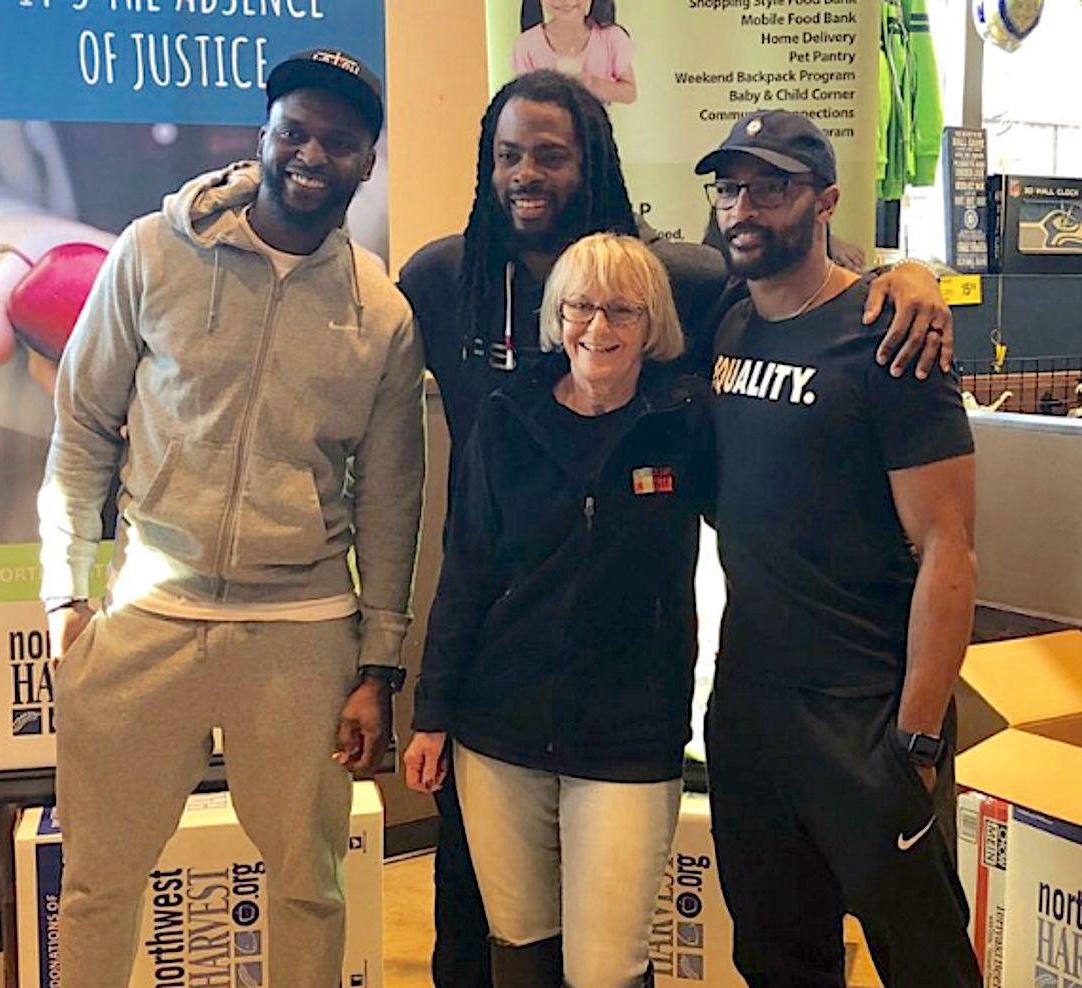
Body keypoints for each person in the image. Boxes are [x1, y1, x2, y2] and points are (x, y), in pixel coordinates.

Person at [398, 68, 956, 988]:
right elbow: (458, 556)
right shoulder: (441, 276)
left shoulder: (686, 294)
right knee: (490, 934)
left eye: (550, 154)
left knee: (630, 955)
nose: (526, 172)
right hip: (507, 695)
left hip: (702, 706)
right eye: (507, 154)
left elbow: (812, 280)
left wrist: (910, 273)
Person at [37, 48, 424, 988]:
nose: (310, 155)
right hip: (144, 619)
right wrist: (65, 595)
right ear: (263, 135)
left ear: (366, 162)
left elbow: (389, 500)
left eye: (338, 142)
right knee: (97, 883)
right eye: (294, 131)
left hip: (300, 632)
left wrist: (378, 664)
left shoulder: (381, 313)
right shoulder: (152, 252)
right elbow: (84, 423)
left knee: (307, 885)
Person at [699, 110, 981, 987]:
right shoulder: (726, 323)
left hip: (866, 711)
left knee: (926, 961)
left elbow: (949, 548)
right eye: (730, 187)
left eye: (772, 187)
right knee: (778, 958)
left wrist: (918, 741)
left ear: (825, 202)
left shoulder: (890, 337)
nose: (744, 208)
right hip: (748, 710)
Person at [407, 232, 715, 988]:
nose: (598, 329)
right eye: (580, 306)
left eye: (622, 311)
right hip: (498, 730)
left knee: (607, 966)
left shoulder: (686, 420)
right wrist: (432, 714)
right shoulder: (508, 419)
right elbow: (468, 571)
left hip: (628, 737)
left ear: (654, 324)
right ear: (556, 313)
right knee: (520, 948)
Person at [512, 0, 637, 104]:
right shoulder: (527, 45)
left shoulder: (610, 38)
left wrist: (593, 84)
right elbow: (523, 99)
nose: (564, 1)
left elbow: (630, 93)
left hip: (595, 131)